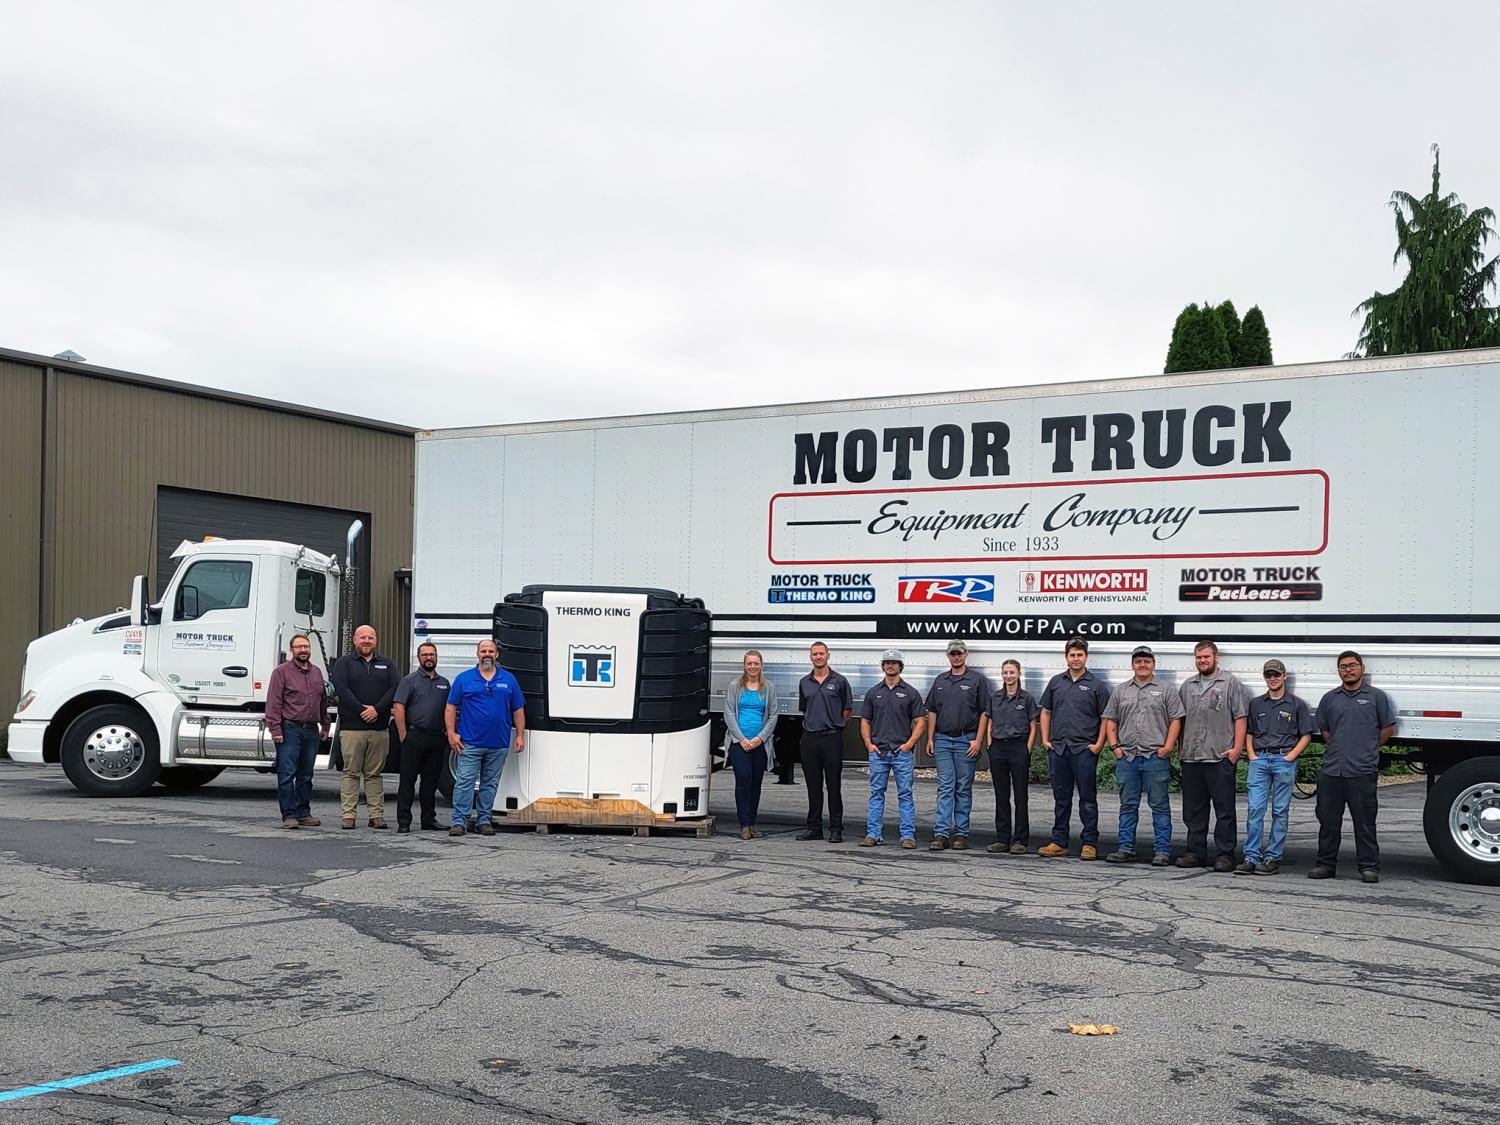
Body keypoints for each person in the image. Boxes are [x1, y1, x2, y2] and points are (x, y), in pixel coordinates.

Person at [1309, 651, 1396, 883]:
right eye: (1343, 667)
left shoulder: (1376, 697)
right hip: (1332, 771)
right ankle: (1325, 864)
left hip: (1362, 770)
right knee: (1328, 822)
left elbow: (1388, 728)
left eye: (1352, 665)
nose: (1348, 670)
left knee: (1364, 822)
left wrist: (1368, 748)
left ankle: (1368, 867)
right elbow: (1325, 731)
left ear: (1362, 668)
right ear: (1339, 671)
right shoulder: (1329, 699)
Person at [1102, 645, 1183, 867]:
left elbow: (1176, 719)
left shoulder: (1166, 689)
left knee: (1160, 806)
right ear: (1133, 664)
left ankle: (1162, 851)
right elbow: (1111, 719)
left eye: (1147, 661)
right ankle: (1126, 848)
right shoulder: (1121, 691)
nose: (1143, 664)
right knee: (1128, 805)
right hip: (1127, 756)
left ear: (1153, 664)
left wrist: (1168, 747)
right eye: (1138, 661)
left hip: (1155, 757)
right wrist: (1114, 747)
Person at [1237, 658, 1315, 876]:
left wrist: (1290, 757)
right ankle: (1251, 856)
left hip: (1283, 760)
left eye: (1276, 675)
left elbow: (1306, 735)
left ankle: (1272, 857)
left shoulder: (1296, 705)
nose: (1272, 679)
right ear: (1264, 678)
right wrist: (1252, 755)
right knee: (1255, 810)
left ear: (1284, 677)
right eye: (1268, 675)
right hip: (1260, 760)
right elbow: (1249, 732)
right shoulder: (1256, 704)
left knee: (1280, 811)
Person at [1177, 640, 1249, 871]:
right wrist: (1180, 747)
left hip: (1220, 756)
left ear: (1216, 657)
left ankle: (1225, 853)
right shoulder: (1187, 685)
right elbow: (1180, 719)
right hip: (1192, 757)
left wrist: (1237, 749)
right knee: (1194, 809)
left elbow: (1240, 717)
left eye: (1206, 657)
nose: (1202, 661)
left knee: (1224, 809)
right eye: (1198, 657)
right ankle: (1194, 852)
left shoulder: (1230, 683)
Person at [444, 638, 526, 837]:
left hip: (498, 743)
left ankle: (483, 820)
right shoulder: (464, 679)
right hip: (469, 743)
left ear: (496, 655)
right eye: (484, 651)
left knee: (490, 784)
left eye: (491, 651)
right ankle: (459, 821)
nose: (487, 654)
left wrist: (520, 735)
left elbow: (518, 709)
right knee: (464, 782)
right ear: (477, 654)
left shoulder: (509, 680)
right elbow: (450, 707)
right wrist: (452, 733)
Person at [1038, 638, 1106, 860]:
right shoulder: (1056, 682)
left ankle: (1089, 843)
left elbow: (1106, 717)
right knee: (1061, 798)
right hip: (1059, 749)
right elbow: (1046, 711)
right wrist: (1046, 739)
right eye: (1072, 655)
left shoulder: (1096, 685)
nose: (1076, 659)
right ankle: (1059, 841)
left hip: (1083, 750)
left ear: (1086, 657)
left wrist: (1098, 745)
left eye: (1080, 655)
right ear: (1066, 657)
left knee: (1087, 798)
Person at [330, 625, 401, 830]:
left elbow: (394, 688)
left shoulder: (387, 664)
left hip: (379, 729)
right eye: (363, 637)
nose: (367, 641)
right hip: (352, 729)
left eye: (370, 637)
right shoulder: (344, 663)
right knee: (351, 773)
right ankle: (349, 816)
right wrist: (362, 709)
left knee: (374, 774)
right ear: (354, 640)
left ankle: (376, 816)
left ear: (376, 640)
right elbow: (342, 689)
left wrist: (377, 709)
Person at [924, 640, 991, 850]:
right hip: (943, 739)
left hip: (966, 740)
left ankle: (961, 833)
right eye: (953, 654)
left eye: (959, 654)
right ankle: (941, 833)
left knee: (963, 787)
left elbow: (985, 712)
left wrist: (978, 740)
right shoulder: (940, 681)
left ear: (966, 654)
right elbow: (932, 710)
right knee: (945, 787)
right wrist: (930, 737)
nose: (956, 657)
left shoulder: (977, 680)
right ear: (948, 656)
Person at [859, 649, 927, 849]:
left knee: (905, 794)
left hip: (901, 753)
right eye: (887, 662)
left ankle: (907, 836)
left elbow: (920, 722)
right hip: (879, 752)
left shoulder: (910, 692)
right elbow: (865, 721)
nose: (890, 665)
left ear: (900, 666)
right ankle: (873, 834)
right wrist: (868, 744)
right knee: (876, 793)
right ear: (882, 666)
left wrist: (909, 745)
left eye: (894, 662)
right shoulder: (873, 692)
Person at [265, 634, 330, 829]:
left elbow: (323, 701)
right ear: (292, 650)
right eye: (299, 647)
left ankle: (303, 813)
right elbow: (274, 703)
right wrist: (275, 729)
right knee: (287, 774)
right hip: (290, 729)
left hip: (311, 731)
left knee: (306, 775)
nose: (303, 650)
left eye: (306, 646)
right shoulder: (281, 672)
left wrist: (325, 726)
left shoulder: (317, 672)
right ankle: (289, 815)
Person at [796, 642, 853, 843]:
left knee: (833, 785)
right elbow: (805, 708)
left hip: (831, 737)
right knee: (813, 785)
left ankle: (836, 829)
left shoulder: (840, 681)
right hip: (810, 738)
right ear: (810, 657)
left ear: (828, 655)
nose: (818, 657)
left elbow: (847, 710)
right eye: (814, 654)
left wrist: (836, 726)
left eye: (821, 653)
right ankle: (814, 827)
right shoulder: (805, 682)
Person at [392, 641, 451, 834]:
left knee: (430, 783)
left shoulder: (444, 683)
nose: (428, 658)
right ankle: (403, 822)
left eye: (432, 654)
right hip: (414, 736)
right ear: (419, 658)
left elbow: (449, 710)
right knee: (407, 781)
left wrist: (447, 732)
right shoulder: (409, 681)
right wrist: (403, 735)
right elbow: (398, 706)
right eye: (425, 655)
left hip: (436, 738)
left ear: (436, 657)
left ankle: (428, 820)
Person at [722, 650, 779, 841]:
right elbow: (729, 714)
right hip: (740, 743)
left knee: (756, 782)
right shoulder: (735, 686)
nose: (753, 667)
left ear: (761, 665)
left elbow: (773, 716)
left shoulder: (769, 687)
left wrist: (759, 739)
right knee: (743, 778)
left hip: (760, 744)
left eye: (756, 663)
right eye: (749, 663)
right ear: (744, 665)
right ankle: (744, 824)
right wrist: (742, 739)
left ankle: (752, 822)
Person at [984, 659, 1037, 856]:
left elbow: (1033, 726)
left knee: (1021, 796)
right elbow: (989, 721)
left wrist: (1027, 749)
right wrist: (989, 744)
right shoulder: (995, 697)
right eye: (1005, 672)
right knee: (1001, 795)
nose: (1008, 676)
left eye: (1012, 672)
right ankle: (1002, 838)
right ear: (1002, 675)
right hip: (998, 748)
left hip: (1018, 748)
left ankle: (1020, 840)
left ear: (1019, 674)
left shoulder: (1027, 699)